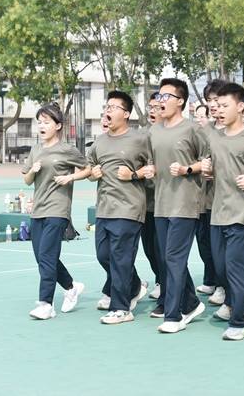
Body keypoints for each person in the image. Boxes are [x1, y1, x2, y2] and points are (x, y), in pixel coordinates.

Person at [201, 83, 244, 341]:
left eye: (224, 105)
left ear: (240, 107)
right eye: (217, 106)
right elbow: (212, 167)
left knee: (235, 269)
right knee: (220, 269)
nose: (219, 110)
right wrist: (207, 169)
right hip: (218, 212)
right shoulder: (214, 137)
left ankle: (238, 322)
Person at [89, 90, 154, 325]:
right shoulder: (100, 141)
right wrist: (93, 173)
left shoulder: (139, 139)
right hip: (104, 208)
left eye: (113, 107)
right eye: (107, 107)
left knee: (121, 258)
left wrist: (133, 174)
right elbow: (90, 168)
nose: (108, 110)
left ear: (126, 114)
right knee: (103, 255)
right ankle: (134, 285)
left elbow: (153, 168)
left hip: (129, 208)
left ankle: (121, 308)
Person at [22, 102, 91, 320]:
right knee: (43, 257)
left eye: (46, 122)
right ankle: (71, 286)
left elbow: (88, 169)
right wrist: (33, 171)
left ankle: (46, 304)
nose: (41, 126)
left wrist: (70, 177)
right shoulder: (36, 150)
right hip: (38, 210)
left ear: (58, 125)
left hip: (58, 209)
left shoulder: (67, 150)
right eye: (39, 123)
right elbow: (26, 180)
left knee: (46, 256)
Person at [149, 78, 207, 333]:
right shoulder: (154, 131)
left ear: (180, 101)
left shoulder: (192, 129)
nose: (161, 101)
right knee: (166, 258)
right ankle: (191, 302)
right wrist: (149, 169)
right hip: (161, 203)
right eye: (159, 97)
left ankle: (173, 316)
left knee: (174, 258)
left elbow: (208, 161)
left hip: (185, 203)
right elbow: (150, 161)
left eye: (166, 97)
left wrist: (187, 169)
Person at [195, 79, 229, 307]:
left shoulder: (236, 129)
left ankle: (225, 287)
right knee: (207, 245)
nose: (213, 105)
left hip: (229, 200)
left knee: (227, 250)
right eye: (210, 100)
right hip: (206, 199)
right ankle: (216, 282)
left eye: (218, 100)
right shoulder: (203, 130)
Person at [143, 95, 163, 302]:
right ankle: (160, 279)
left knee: (162, 249)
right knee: (149, 248)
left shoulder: (168, 134)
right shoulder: (142, 134)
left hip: (165, 202)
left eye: (157, 107)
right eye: (151, 107)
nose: (153, 111)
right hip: (146, 203)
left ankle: (164, 282)